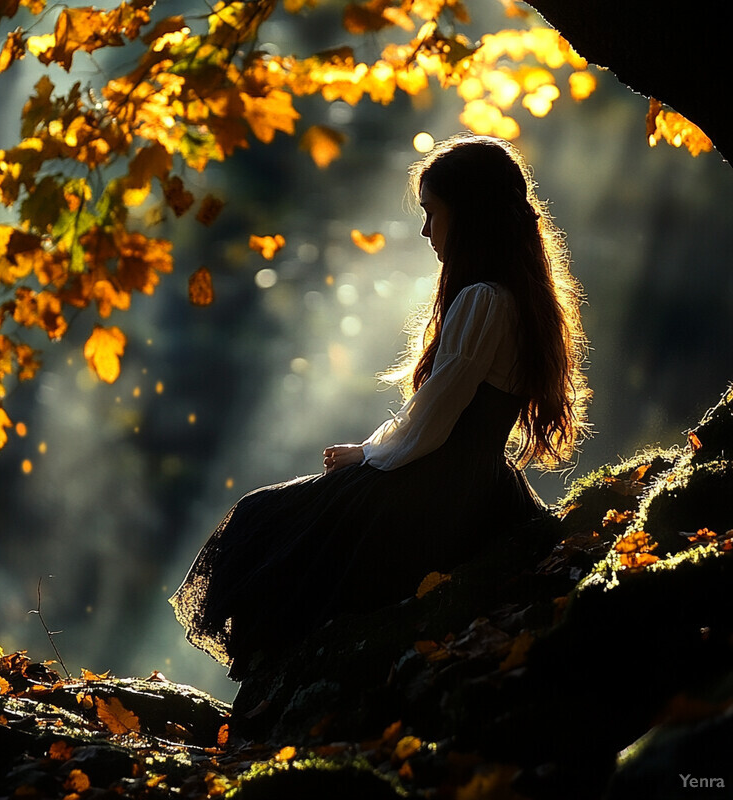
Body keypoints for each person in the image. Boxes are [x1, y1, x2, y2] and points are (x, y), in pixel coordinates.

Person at [170, 134, 591, 680]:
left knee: (261, 519)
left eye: (432, 213)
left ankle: (277, 685)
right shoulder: (518, 297)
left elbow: (433, 421)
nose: (425, 230)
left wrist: (365, 455)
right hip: (473, 482)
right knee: (281, 528)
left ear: (470, 214)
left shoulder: (483, 300)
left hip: (442, 486)